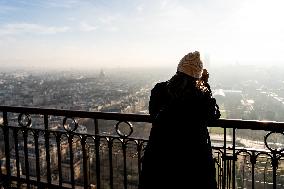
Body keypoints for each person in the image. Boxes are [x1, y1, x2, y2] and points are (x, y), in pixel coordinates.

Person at [138, 51, 221, 189]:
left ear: (178, 69)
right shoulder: (200, 95)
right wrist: (205, 85)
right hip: (193, 159)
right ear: (198, 76)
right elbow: (213, 115)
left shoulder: (159, 89)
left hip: (160, 156)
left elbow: (153, 114)